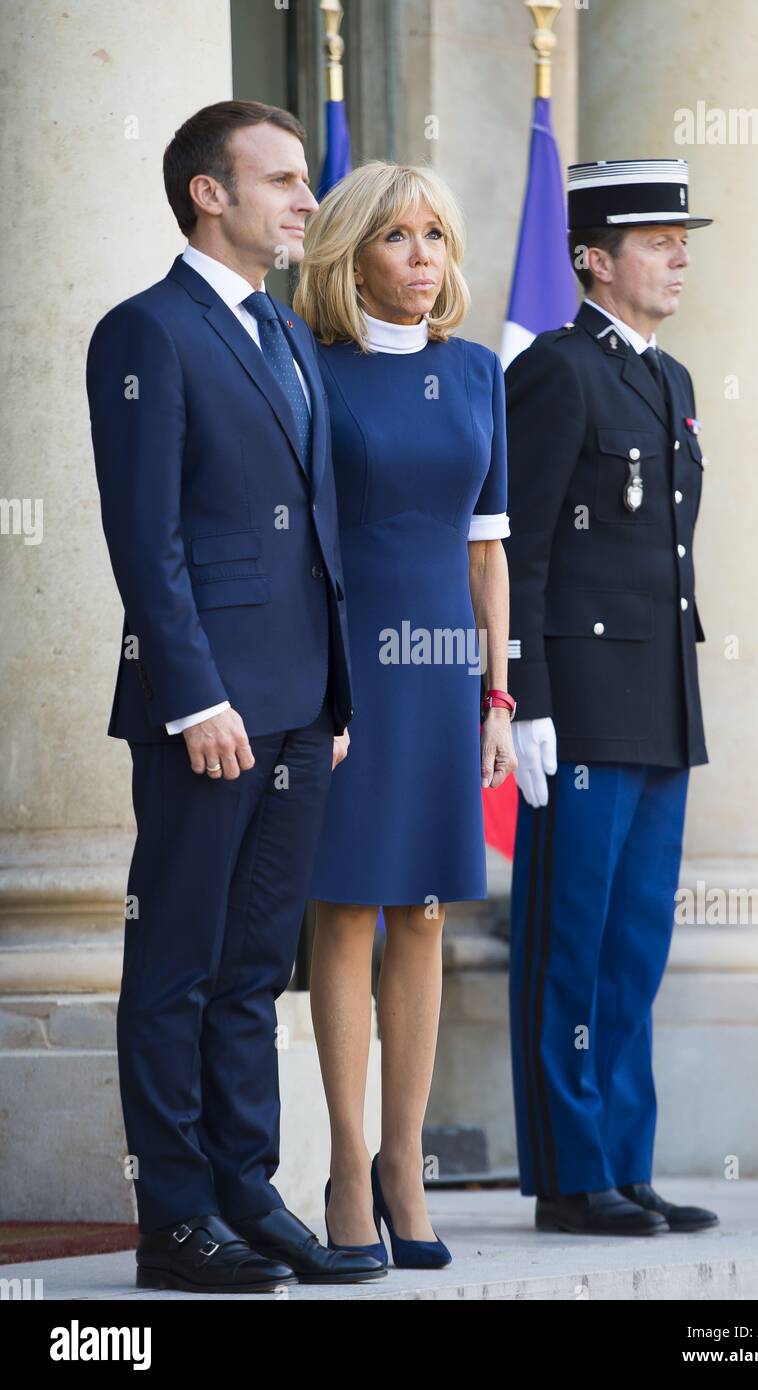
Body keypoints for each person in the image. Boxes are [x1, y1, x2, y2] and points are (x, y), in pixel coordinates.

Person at [86, 99, 386, 1291]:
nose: (308, 201)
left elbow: (315, 532)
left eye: (304, 181)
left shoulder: (286, 333)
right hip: (205, 708)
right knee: (178, 959)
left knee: (258, 964)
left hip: (304, 707)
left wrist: (337, 697)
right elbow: (142, 532)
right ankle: (172, 1217)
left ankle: (244, 1190)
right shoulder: (145, 333)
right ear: (209, 193)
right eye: (282, 180)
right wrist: (191, 692)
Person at [293, 161, 517, 1268]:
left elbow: (488, 548)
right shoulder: (310, 369)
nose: (424, 257)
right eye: (398, 236)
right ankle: (342, 1165)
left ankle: (403, 1165)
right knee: (343, 909)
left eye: (437, 235)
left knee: (424, 913)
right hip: (346, 668)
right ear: (349, 254)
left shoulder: (477, 375)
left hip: (440, 674)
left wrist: (499, 693)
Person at [504, 158, 720, 1236]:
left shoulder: (669, 379)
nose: (680, 253)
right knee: (569, 943)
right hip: (580, 706)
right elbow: (522, 550)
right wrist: (524, 695)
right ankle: (570, 1171)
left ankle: (626, 1160)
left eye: (684, 237)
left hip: (657, 698)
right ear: (593, 257)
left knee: (635, 948)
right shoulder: (553, 371)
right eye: (656, 238)